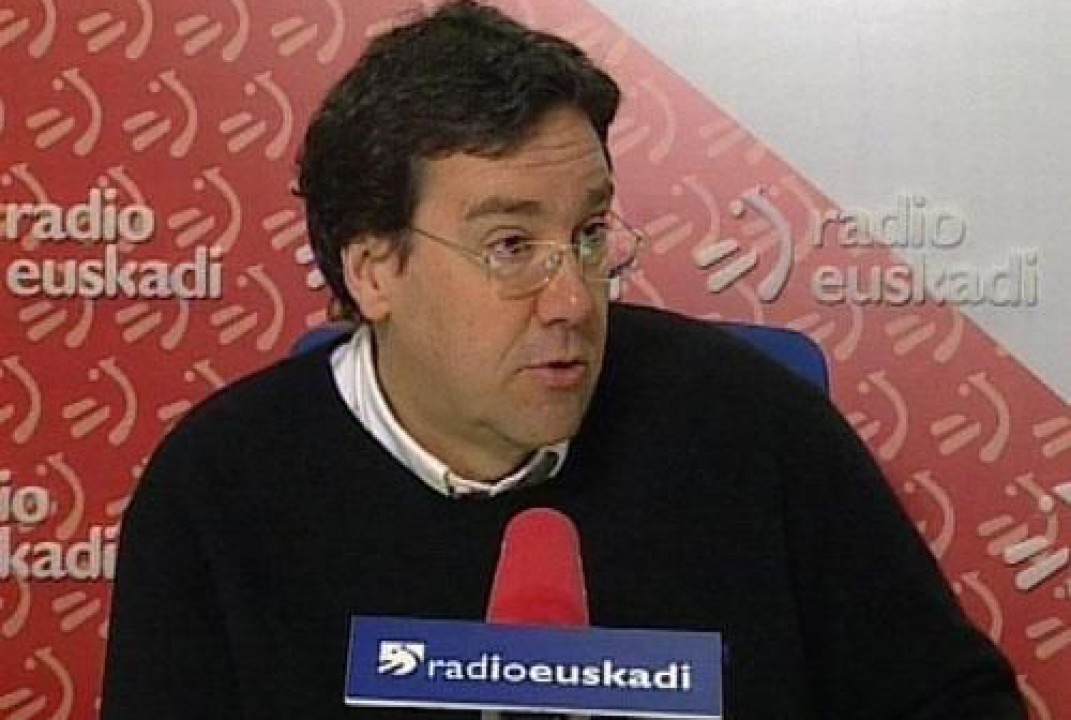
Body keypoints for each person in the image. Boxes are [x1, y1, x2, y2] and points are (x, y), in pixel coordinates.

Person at [101, 2, 1026, 719]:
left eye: (587, 235)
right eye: (510, 246)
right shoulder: (219, 487)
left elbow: (952, 704)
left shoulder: (751, 425)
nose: (573, 300)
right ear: (375, 269)